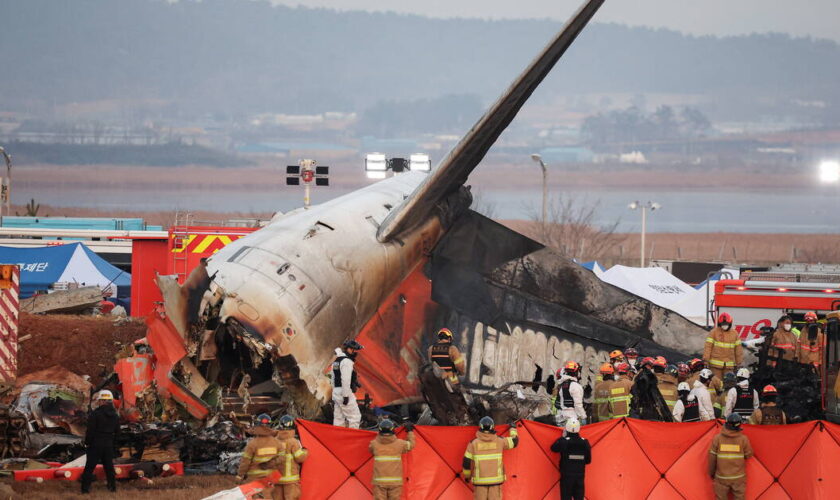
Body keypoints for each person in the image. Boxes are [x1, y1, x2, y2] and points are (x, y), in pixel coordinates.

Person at [462, 416, 519, 500]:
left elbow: (466, 462)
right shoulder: (500, 441)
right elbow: (515, 441)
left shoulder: (473, 443)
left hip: (479, 483)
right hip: (496, 482)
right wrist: (513, 429)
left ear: (480, 426)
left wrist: (467, 476)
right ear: (492, 426)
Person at [81, 390, 120, 494]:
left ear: (102, 401)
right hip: (108, 444)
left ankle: (85, 490)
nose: (98, 402)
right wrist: (114, 445)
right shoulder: (115, 416)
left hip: (95, 444)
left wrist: (87, 442)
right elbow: (118, 432)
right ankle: (112, 488)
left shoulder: (95, 414)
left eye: (99, 400)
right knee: (109, 467)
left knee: (89, 467)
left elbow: (90, 431)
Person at [708, 413, 753, 500]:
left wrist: (712, 473)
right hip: (739, 478)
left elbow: (712, 459)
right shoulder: (743, 439)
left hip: (721, 478)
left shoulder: (717, 438)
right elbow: (748, 455)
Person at [369, 419, 415, 500]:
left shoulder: (373, 444)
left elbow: (371, 451)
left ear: (379, 430)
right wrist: (410, 431)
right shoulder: (400, 444)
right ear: (393, 430)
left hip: (379, 482)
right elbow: (411, 445)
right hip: (395, 482)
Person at [237, 414, 285, 483]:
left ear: (257, 425)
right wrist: (270, 464)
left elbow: (245, 462)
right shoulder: (277, 442)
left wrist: (240, 475)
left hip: (254, 480)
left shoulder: (252, 444)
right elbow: (282, 458)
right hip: (270, 479)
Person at [551, 419, 591, 500]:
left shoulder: (564, 441)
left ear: (567, 428)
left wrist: (562, 438)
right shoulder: (585, 442)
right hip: (580, 477)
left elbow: (553, 448)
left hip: (566, 477)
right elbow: (588, 461)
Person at [273, 415, 309, 500]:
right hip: (290, 480)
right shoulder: (293, 442)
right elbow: (299, 458)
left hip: (277, 478)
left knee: (277, 497)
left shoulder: (274, 441)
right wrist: (305, 451)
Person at [332, 339, 364, 429]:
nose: (355, 352)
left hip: (336, 391)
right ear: (349, 349)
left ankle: (338, 439)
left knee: (339, 419)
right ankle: (353, 439)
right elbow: (345, 380)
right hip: (344, 392)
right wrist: (346, 396)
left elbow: (333, 377)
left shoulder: (337, 360)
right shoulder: (347, 362)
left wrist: (335, 391)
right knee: (355, 417)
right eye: (354, 350)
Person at [703, 313, 743, 380]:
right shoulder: (714, 332)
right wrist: (706, 360)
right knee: (716, 384)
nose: (724, 326)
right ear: (719, 324)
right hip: (715, 366)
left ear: (730, 323)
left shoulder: (734, 334)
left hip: (729, 366)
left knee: (728, 384)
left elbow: (738, 350)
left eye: (726, 324)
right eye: (723, 324)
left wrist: (739, 363)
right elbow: (708, 347)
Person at [554, 361, 586, 427]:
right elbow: (578, 405)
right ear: (576, 372)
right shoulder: (575, 386)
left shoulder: (561, 384)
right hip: (572, 418)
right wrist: (583, 417)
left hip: (561, 416)